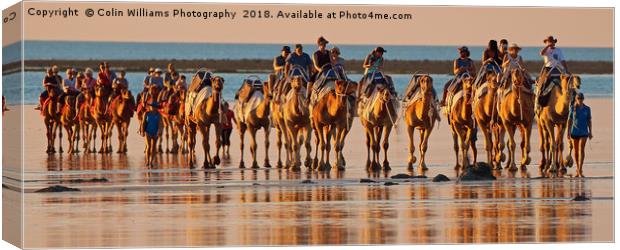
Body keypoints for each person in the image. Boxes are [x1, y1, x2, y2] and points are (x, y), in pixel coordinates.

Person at [567, 93, 592, 178]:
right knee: (576, 151)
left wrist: (590, 132)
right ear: (576, 99)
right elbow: (569, 121)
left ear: (583, 99)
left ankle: (580, 169)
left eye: (581, 98)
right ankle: (577, 168)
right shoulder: (572, 109)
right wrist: (568, 132)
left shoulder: (587, 109)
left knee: (581, 149)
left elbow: (589, 121)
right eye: (578, 98)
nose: (580, 100)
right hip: (574, 132)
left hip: (584, 132)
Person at [141, 102, 163, 167]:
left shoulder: (159, 115)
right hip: (147, 131)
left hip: (155, 132)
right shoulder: (146, 113)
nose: (153, 108)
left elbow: (160, 123)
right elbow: (143, 122)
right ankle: (147, 161)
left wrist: (159, 131)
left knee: (153, 148)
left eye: (155, 107)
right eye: (152, 106)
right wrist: (142, 131)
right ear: (150, 107)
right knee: (148, 146)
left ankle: (151, 162)